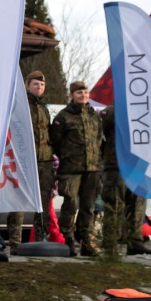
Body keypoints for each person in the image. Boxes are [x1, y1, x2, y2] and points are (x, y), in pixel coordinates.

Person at [50, 81, 102, 256]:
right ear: (72, 95)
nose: (83, 95)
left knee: (88, 207)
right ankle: (68, 240)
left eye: (85, 93)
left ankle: (86, 241)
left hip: (92, 168)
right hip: (70, 168)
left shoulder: (94, 116)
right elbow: (55, 143)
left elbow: (99, 139)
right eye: (79, 93)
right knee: (70, 204)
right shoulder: (63, 117)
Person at [7, 70, 55, 250]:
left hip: (44, 161)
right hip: (23, 159)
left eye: (42, 85)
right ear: (27, 86)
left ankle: (41, 236)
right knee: (19, 200)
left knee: (42, 200)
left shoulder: (44, 109)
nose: (39, 87)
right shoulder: (18, 104)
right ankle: (15, 241)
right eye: (36, 84)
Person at [100, 105, 151, 256]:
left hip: (138, 164)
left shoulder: (143, 107)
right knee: (115, 203)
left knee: (137, 203)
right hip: (116, 164)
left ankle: (134, 241)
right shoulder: (111, 111)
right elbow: (99, 136)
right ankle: (110, 243)